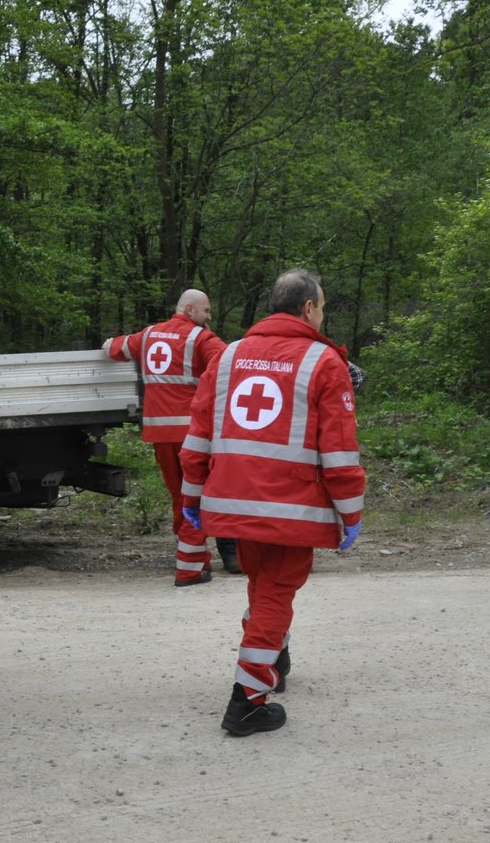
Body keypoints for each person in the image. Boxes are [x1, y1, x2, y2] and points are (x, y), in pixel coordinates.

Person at [180, 269, 365, 735]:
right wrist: (351, 514)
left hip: (230, 501)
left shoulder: (227, 357)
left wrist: (192, 497)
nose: (322, 315)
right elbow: (339, 454)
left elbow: (198, 436)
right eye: (321, 306)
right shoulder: (324, 362)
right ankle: (248, 700)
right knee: (275, 594)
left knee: (263, 585)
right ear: (308, 308)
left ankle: (273, 656)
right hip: (289, 506)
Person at [105, 289, 230, 585]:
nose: (209, 317)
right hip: (192, 433)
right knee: (195, 496)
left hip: (159, 432)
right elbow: (229, 363)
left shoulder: (149, 335)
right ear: (189, 309)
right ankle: (188, 567)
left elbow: (112, 348)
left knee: (180, 495)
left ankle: (198, 557)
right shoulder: (200, 338)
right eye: (206, 311)